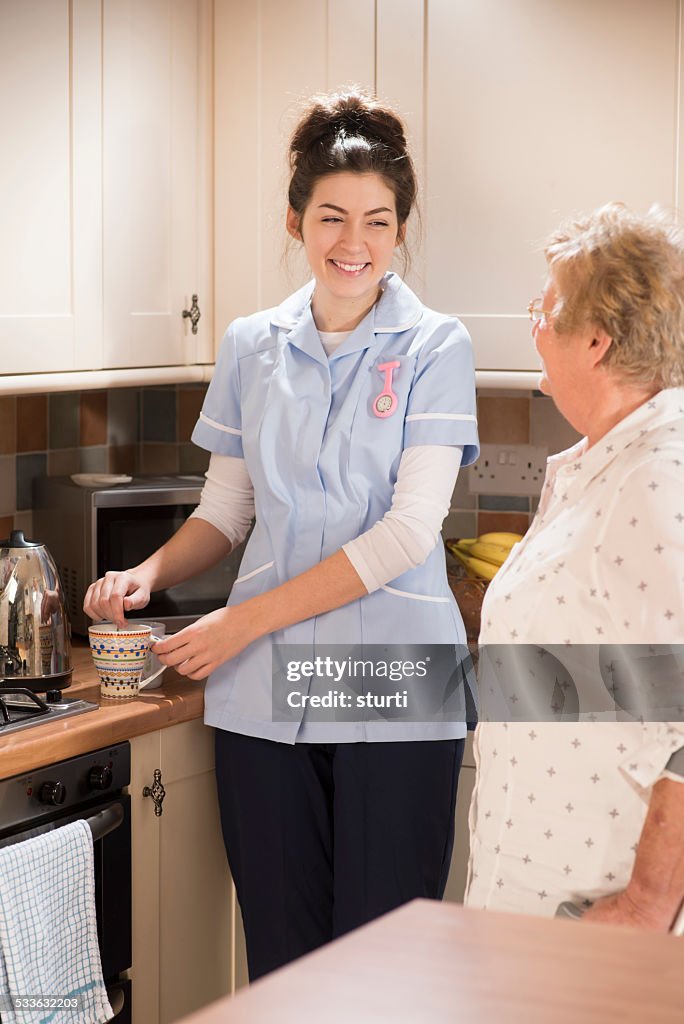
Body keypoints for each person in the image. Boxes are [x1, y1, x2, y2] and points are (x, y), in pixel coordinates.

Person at [84, 89, 479, 978]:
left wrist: (241, 622)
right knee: (285, 970)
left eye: (378, 221)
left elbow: (408, 535)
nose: (354, 241)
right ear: (296, 218)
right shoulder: (249, 344)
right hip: (263, 699)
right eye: (332, 215)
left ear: (400, 229)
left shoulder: (435, 348)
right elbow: (227, 511)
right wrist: (144, 574)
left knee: (382, 975)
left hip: (395, 687)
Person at [465, 203, 684, 930]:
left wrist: (647, 906)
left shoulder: (658, 478)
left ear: (595, 340)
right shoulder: (606, 466)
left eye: (545, 308)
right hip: (538, 910)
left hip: (597, 926)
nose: (534, 326)